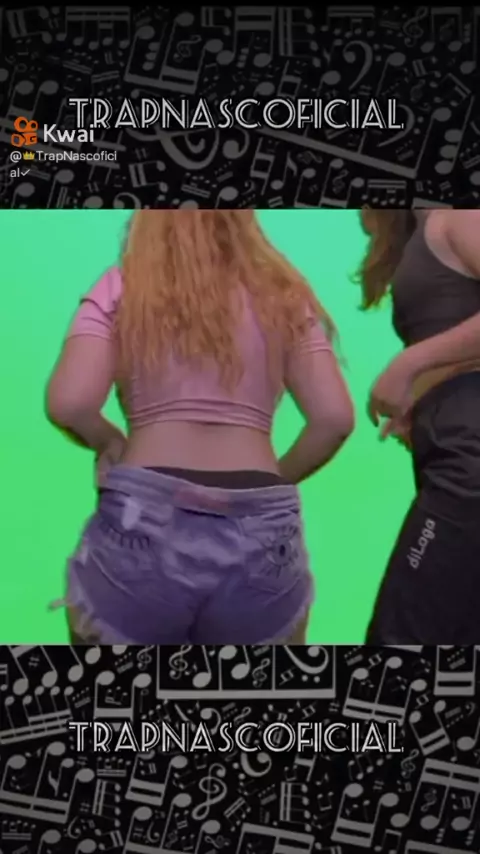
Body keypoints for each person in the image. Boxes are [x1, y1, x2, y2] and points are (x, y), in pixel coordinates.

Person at [46, 210, 354, 644]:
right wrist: (267, 487)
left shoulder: (123, 287)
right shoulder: (284, 297)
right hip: (262, 520)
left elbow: (70, 403)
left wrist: (110, 441)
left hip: (143, 509)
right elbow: (334, 420)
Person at [357, 209, 480, 644]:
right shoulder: (424, 228)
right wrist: (422, 391)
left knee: (400, 637)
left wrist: (410, 364)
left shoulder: (459, 216)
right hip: (454, 454)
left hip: (467, 469)